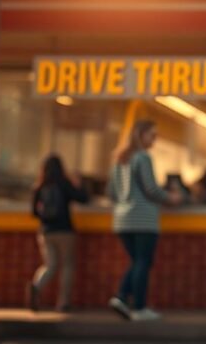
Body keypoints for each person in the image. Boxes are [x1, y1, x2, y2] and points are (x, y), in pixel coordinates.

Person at [106, 119, 183, 321]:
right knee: (143, 261)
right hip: (143, 218)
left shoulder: (119, 159)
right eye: (152, 135)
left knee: (137, 261)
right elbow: (150, 189)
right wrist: (171, 198)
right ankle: (137, 306)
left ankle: (122, 297)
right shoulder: (143, 157)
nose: (155, 140)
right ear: (140, 135)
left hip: (122, 220)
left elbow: (111, 193)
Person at [28, 154, 89, 312]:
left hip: (46, 232)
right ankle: (63, 303)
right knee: (67, 265)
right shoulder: (64, 183)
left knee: (50, 265)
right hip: (65, 230)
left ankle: (36, 285)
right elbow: (83, 198)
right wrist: (79, 184)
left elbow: (34, 212)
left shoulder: (39, 186)